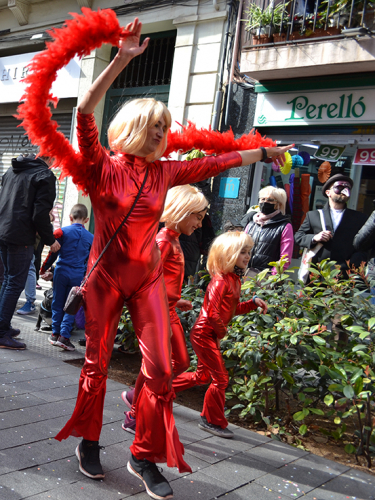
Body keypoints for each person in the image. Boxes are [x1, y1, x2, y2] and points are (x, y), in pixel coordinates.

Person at [44, 18, 292, 500]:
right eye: (154, 126)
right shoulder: (100, 164)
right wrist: (122, 57)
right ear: (135, 127)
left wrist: (264, 150)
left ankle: (143, 455)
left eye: (165, 127)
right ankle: (90, 442)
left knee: (159, 371)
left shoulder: (167, 172)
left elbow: (216, 162)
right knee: (95, 362)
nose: (161, 133)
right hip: (105, 279)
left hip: (147, 280)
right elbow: (85, 112)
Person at [121, 184, 208, 434]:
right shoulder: (164, 240)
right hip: (157, 313)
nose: (200, 225)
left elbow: (160, 278)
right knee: (162, 365)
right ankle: (135, 413)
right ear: (182, 210)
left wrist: (174, 299)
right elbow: (144, 277)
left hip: (167, 310)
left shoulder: (174, 239)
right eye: (197, 217)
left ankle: (135, 395)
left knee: (180, 361)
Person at [172, 231, 267, 438]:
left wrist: (252, 303)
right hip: (204, 333)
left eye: (249, 252)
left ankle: (161, 391)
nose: (247, 256)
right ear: (228, 253)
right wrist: (222, 330)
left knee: (203, 376)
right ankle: (210, 420)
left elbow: (231, 310)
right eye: (243, 252)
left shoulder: (233, 280)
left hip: (209, 334)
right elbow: (211, 312)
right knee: (220, 379)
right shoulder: (221, 281)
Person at [0, 153, 60, 350]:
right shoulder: (44, 176)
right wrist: (50, 240)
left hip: (4, 231)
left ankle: (3, 325)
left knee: (8, 280)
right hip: (21, 235)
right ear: (52, 158)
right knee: (14, 283)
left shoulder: (13, 169)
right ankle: (1, 332)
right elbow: (40, 213)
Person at [40, 204, 93, 352]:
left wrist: (44, 269)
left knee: (57, 302)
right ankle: (65, 337)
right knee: (72, 305)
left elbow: (53, 253)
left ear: (70, 217)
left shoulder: (61, 232)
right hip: (78, 274)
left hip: (61, 272)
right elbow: (91, 261)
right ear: (87, 219)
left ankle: (55, 334)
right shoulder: (91, 238)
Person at [295, 174, 368, 276]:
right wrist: (314, 238)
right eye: (339, 187)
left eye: (347, 188)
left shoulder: (359, 218)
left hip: (345, 275)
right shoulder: (313, 215)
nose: (344, 190)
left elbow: (367, 245)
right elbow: (298, 237)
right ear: (328, 192)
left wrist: (355, 262)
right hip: (317, 273)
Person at [241, 186, 293, 274]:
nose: (265, 202)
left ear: (279, 204)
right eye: (262, 199)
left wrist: (271, 276)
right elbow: (241, 247)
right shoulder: (251, 223)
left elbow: (285, 258)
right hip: (244, 272)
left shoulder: (284, 226)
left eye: (270, 200)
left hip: (265, 277)